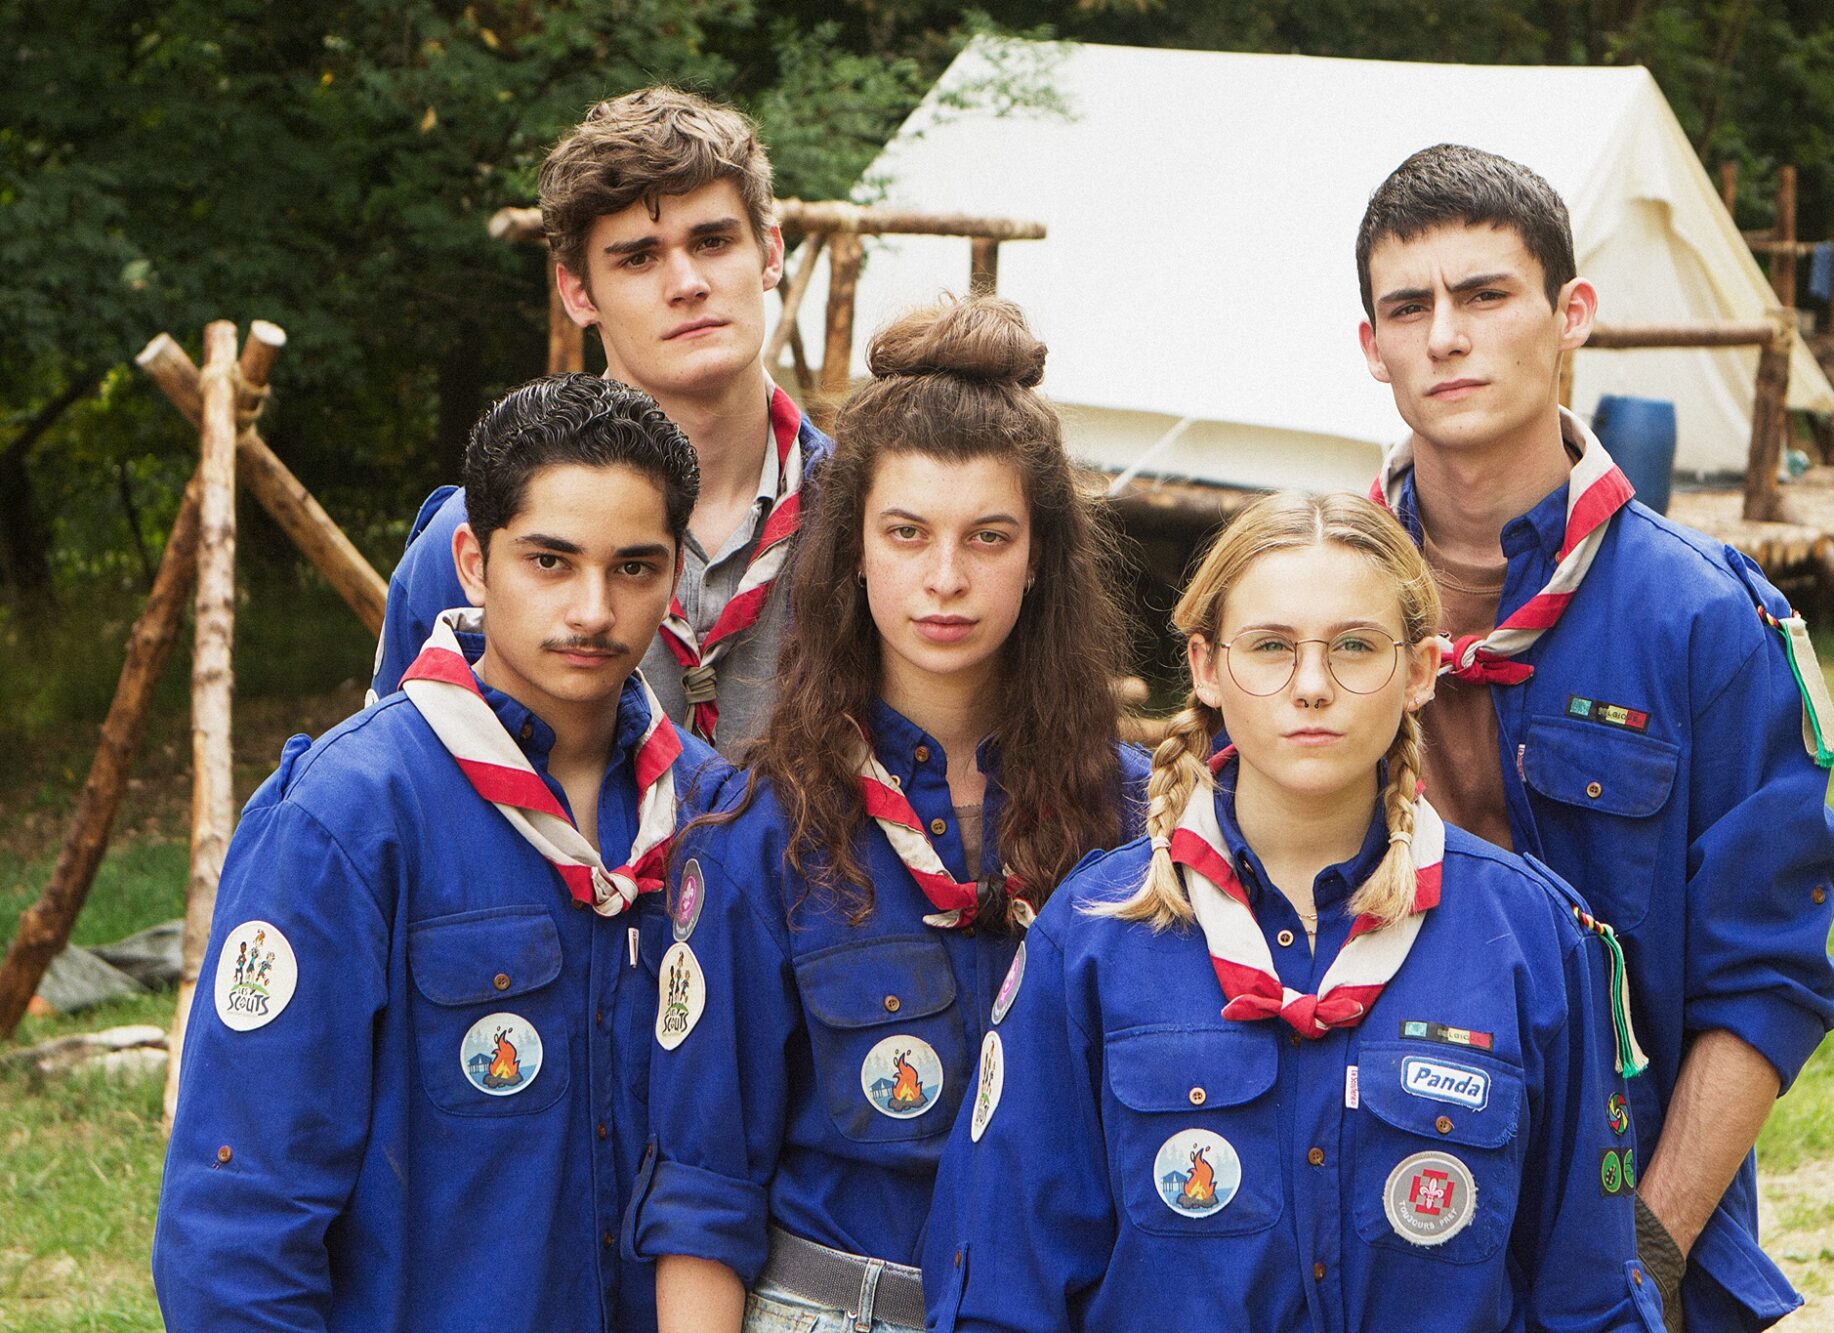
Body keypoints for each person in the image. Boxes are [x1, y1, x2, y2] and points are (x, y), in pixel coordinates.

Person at [928, 492, 1659, 1331]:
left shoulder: (1532, 940)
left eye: (1355, 646)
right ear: (1206, 667)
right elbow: (1004, 1295)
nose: (1312, 687)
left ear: (1421, 671)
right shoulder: (1093, 938)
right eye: (1271, 646)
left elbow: (1590, 1300)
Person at [1352, 144, 1834, 1331]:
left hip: (1627, 1203)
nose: (1445, 337)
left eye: (1484, 295)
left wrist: (1644, 1257)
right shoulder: (1311, 610)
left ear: (1569, 314)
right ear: (1369, 345)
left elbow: (1763, 978)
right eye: (1407, 308)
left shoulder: (1700, 620)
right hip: (1362, 1225)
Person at [155, 375, 727, 1331]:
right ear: (473, 562)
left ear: (674, 577)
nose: (594, 609)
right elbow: (240, 1212)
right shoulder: (344, 818)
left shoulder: (716, 816)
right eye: (550, 560)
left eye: (634, 567)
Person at [626, 297, 1150, 1333]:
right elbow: (702, 1194)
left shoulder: (1133, 821)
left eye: (988, 537)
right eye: (907, 533)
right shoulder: (756, 831)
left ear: (1039, 555)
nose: (945, 579)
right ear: (854, 550)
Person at [369, 84, 833, 762]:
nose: (687, 283)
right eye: (639, 257)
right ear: (579, 292)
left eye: (712, 241)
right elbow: (397, 785)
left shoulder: (870, 518)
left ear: (769, 254)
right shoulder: (477, 540)